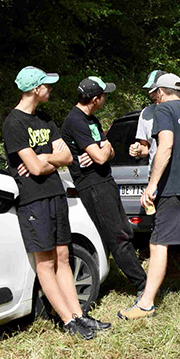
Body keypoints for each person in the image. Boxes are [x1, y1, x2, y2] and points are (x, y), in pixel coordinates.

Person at [2, 67, 108, 339]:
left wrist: (44, 159)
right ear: (35, 89)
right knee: (46, 262)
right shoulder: (13, 124)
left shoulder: (45, 119)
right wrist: (48, 158)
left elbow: (66, 159)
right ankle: (67, 321)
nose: (50, 89)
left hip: (55, 195)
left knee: (63, 256)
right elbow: (34, 170)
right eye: (46, 86)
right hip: (33, 201)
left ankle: (80, 315)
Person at [118, 73, 180, 319]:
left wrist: (152, 184)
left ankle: (146, 303)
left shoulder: (163, 111)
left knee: (158, 243)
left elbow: (166, 146)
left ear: (160, 92)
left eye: (153, 93)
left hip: (174, 187)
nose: (152, 98)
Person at [61, 76, 147, 296]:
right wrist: (102, 150)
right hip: (93, 186)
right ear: (95, 98)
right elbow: (100, 156)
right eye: (104, 95)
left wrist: (104, 149)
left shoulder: (92, 120)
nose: (105, 99)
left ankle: (116, 276)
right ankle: (142, 285)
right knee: (117, 235)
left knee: (124, 231)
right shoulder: (76, 121)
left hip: (105, 181)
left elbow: (108, 151)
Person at [128, 69, 167, 167]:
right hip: (156, 174)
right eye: (150, 90)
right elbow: (145, 147)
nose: (151, 94)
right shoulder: (146, 113)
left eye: (155, 90)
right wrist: (138, 150)